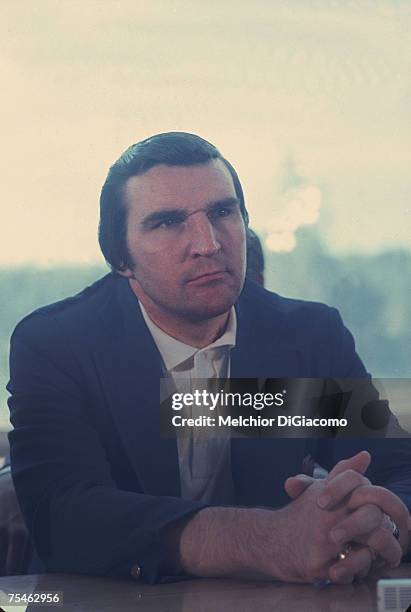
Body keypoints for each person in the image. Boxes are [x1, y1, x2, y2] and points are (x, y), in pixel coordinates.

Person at [7, 132, 411, 586]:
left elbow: (398, 471)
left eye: (223, 212)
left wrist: (378, 524)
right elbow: (67, 518)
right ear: (120, 257)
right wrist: (268, 539)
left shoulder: (305, 336)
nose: (208, 243)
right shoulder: (58, 344)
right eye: (166, 222)